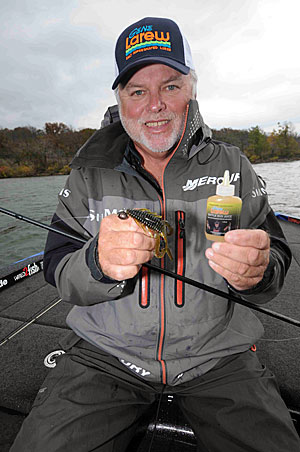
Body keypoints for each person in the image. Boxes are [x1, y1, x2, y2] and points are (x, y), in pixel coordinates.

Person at [10, 17, 300, 452]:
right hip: (103, 356)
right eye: (138, 91)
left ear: (191, 90)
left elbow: (275, 255)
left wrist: (260, 270)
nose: (155, 105)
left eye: (170, 86)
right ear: (121, 100)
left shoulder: (233, 164)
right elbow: (56, 266)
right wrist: (97, 263)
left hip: (219, 356)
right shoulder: (87, 173)